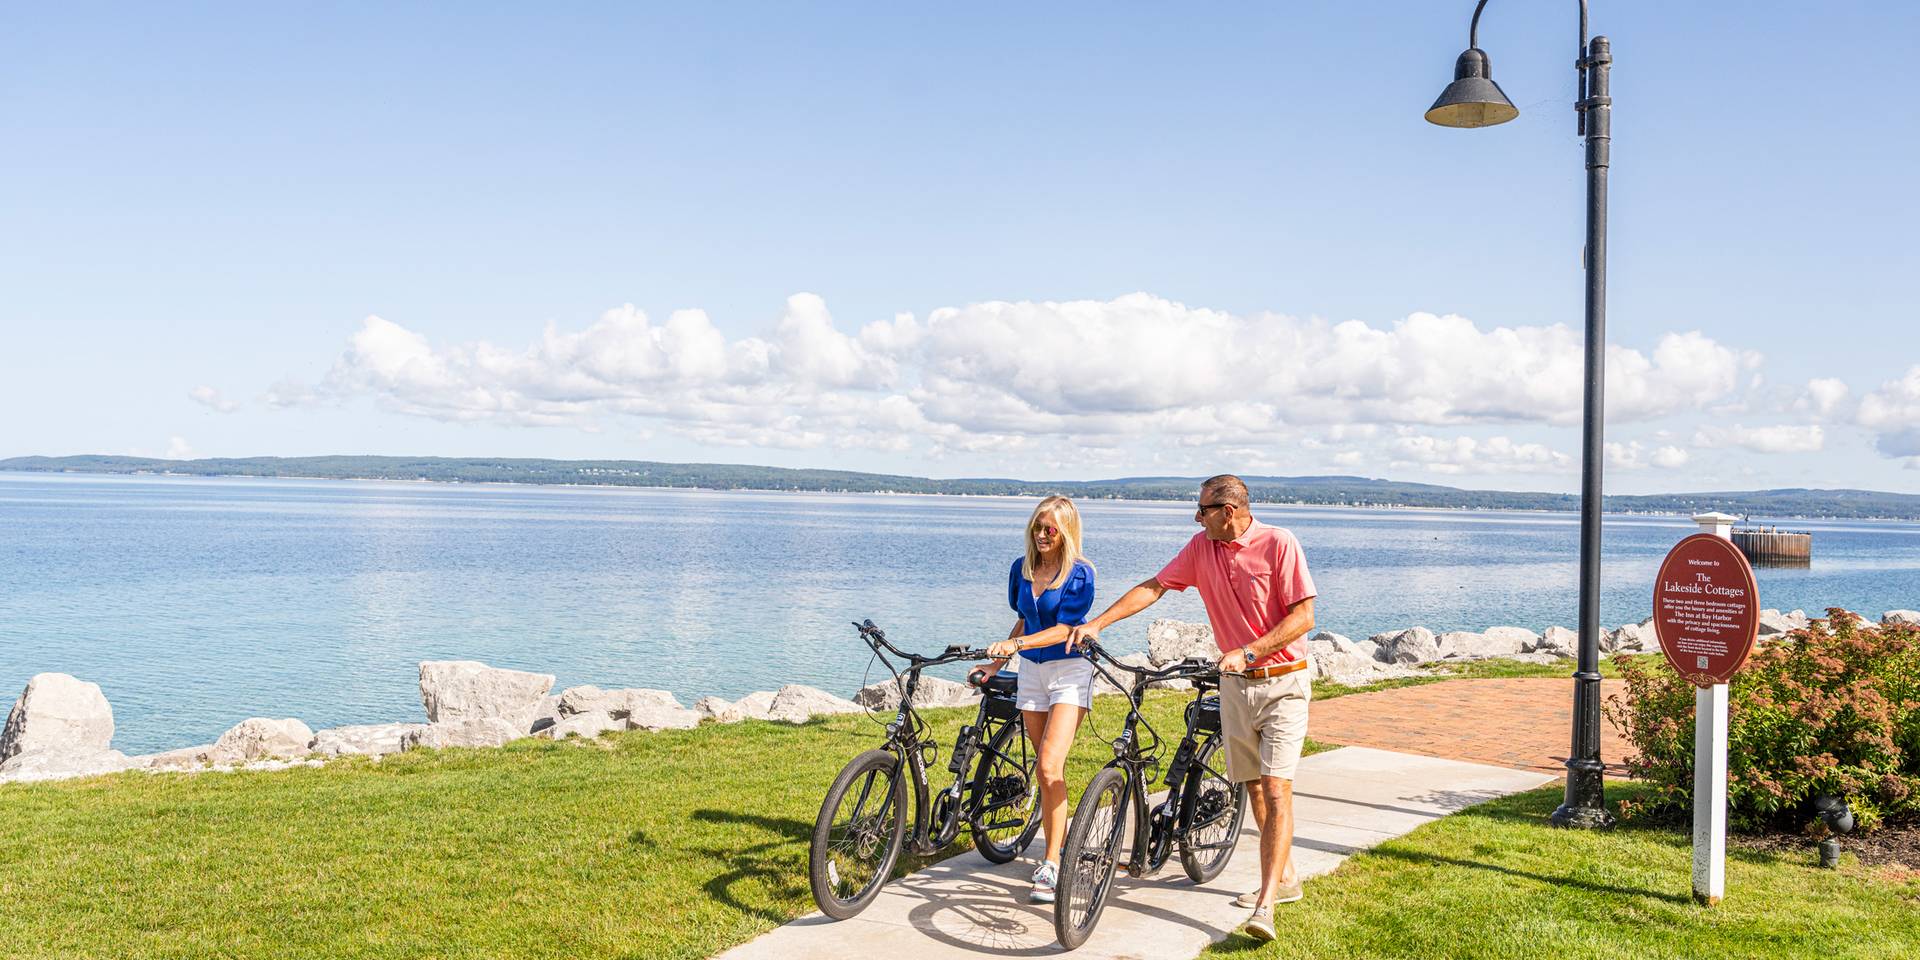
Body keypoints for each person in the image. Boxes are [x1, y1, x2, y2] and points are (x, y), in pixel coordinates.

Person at [1069, 475, 1315, 942]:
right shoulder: (1201, 549)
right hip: (1235, 687)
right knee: (1255, 789)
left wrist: (1250, 650)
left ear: (1229, 510)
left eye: (1202, 509)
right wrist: (1099, 622)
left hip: (1283, 682)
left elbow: (1304, 616)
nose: (1196, 517)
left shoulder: (1279, 543)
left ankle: (1264, 906)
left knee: (1278, 788)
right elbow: (1155, 587)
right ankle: (1286, 878)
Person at [978, 495, 1096, 906]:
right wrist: (996, 665)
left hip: (1069, 672)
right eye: (1038, 526)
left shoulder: (1080, 574)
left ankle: (1050, 862)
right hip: (1030, 672)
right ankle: (1058, 844)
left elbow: (1065, 628)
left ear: (1066, 532)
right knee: (1045, 773)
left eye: (1052, 529)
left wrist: (1016, 642)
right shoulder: (1022, 569)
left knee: (1049, 765)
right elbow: (1025, 618)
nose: (1043, 535)